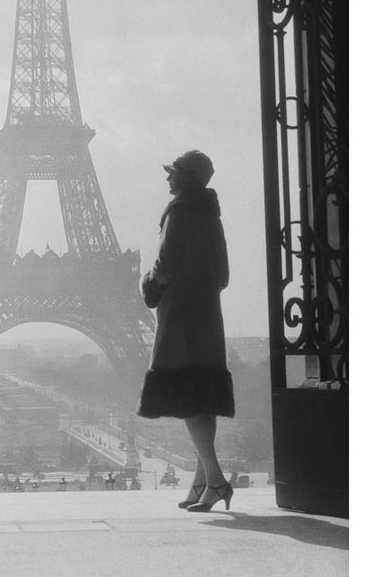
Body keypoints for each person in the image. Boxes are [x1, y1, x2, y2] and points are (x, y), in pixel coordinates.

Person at [137, 150, 235, 512]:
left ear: (186, 179)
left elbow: (164, 264)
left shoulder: (179, 212)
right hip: (208, 312)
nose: (168, 179)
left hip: (180, 315)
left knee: (188, 398)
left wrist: (151, 285)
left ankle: (216, 480)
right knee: (202, 395)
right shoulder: (212, 217)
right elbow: (223, 275)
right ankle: (201, 483)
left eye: (173, 173)